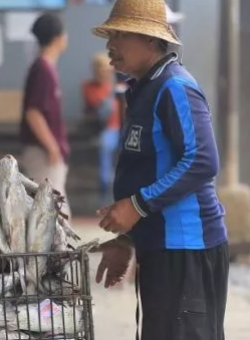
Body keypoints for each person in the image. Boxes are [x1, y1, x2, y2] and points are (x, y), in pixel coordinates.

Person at [90, 1, 228, 340]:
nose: (111, 45)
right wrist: (127, 238)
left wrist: (135, 206)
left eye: (120, 34)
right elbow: (149, 168)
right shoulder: (144, 88)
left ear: (150, 40)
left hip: (188, 250)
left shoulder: (175, 87)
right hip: (162, 249)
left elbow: (202, 160)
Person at [19, 12, 71, 217]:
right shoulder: (43, 69)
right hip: (43, 153)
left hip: (46, 152)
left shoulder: (45, 67)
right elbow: (34, 113)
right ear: (58, 38)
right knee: (52, 212)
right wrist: (52, 146)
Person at [81, 52, 122, 198]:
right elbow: (96, 109)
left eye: (106, 69)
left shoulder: (119, 86)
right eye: (100, 69)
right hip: (106, 129)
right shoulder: (89, 87)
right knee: (105, 145)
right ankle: (105, 187)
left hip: (123, 127)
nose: (103, 73)